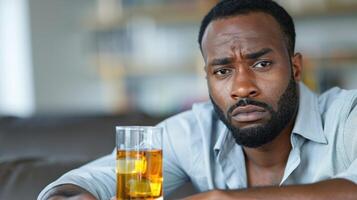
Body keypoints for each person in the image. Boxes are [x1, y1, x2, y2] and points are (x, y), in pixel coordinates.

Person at [38, 0, 357, 199]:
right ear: (206, 77)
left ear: (296, 67)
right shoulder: (192, 132)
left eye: (261, 64)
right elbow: (86, 182)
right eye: (222, 71)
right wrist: (74, 196)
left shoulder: (347, 116)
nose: (242, 88)